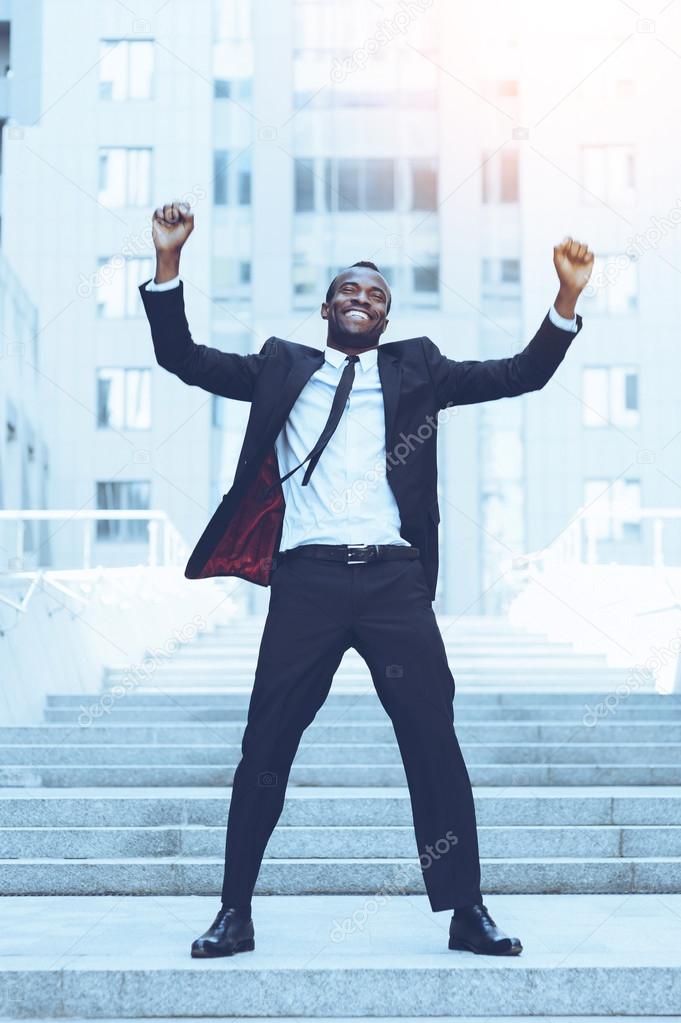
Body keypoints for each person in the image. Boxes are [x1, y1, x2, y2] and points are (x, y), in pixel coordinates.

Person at [139, 201, 593, 959]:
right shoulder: (281, 366)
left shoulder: (419, 370)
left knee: (432, 742)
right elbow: (182, 356)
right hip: (307, 582)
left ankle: (465, 910)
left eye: (375, 294)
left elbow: (521, 375)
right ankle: (234, 910)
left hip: (393, 583)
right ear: (326, 307)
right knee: (265, 748)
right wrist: (167, 262)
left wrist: (566, 299)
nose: (362, 298)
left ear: (385, 317)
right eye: (349, 289)